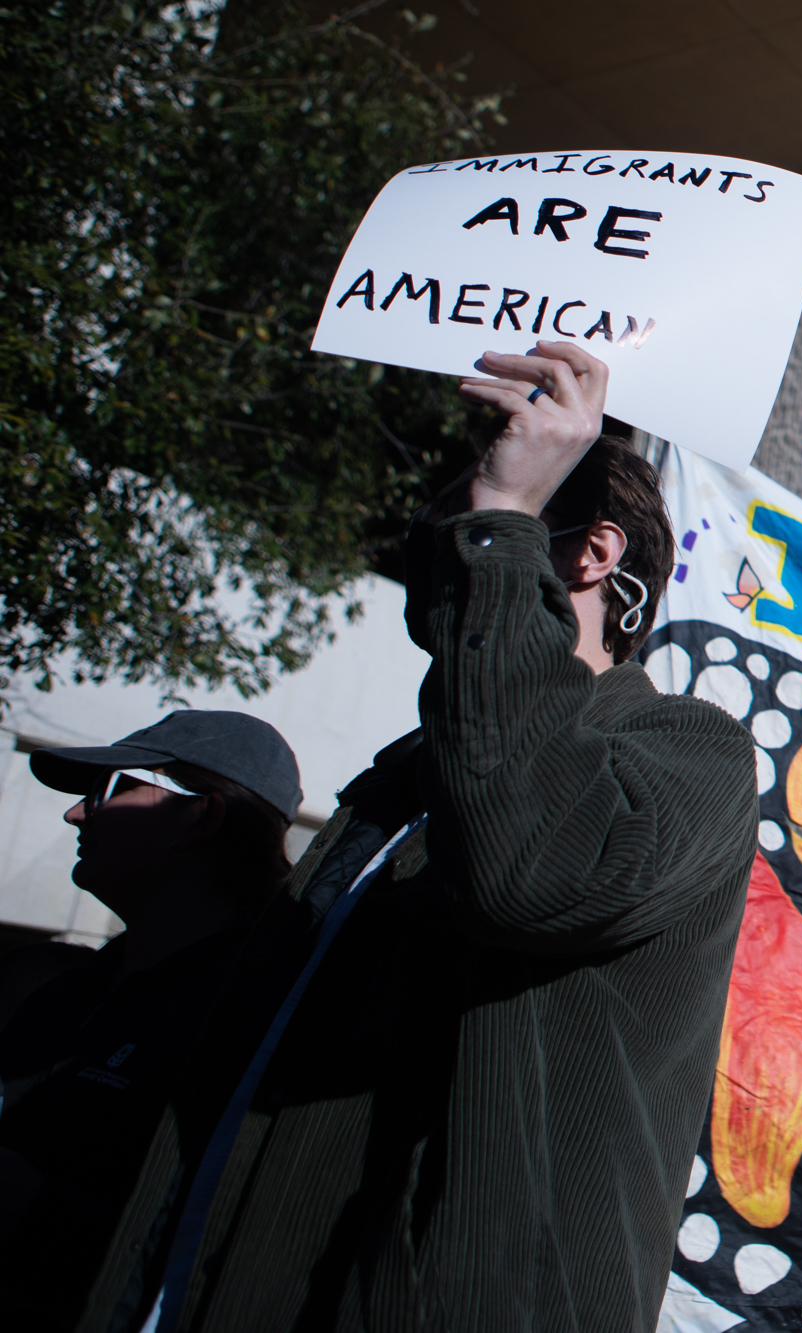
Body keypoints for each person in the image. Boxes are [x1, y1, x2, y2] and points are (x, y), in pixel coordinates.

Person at [69, 342, 758, 1332]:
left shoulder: (686, 749)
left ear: (590, 552)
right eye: (457, 509)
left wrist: (506, 515)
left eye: (473, 504)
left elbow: (533, 871)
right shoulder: (405, 773)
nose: (438, 534)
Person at [0, 710, 303, 1331]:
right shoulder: (58, 989)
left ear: (202, 814)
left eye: (109, 789)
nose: (75, 814)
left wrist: (33, 1207)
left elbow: (230, 1249)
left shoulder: (257, 1019)